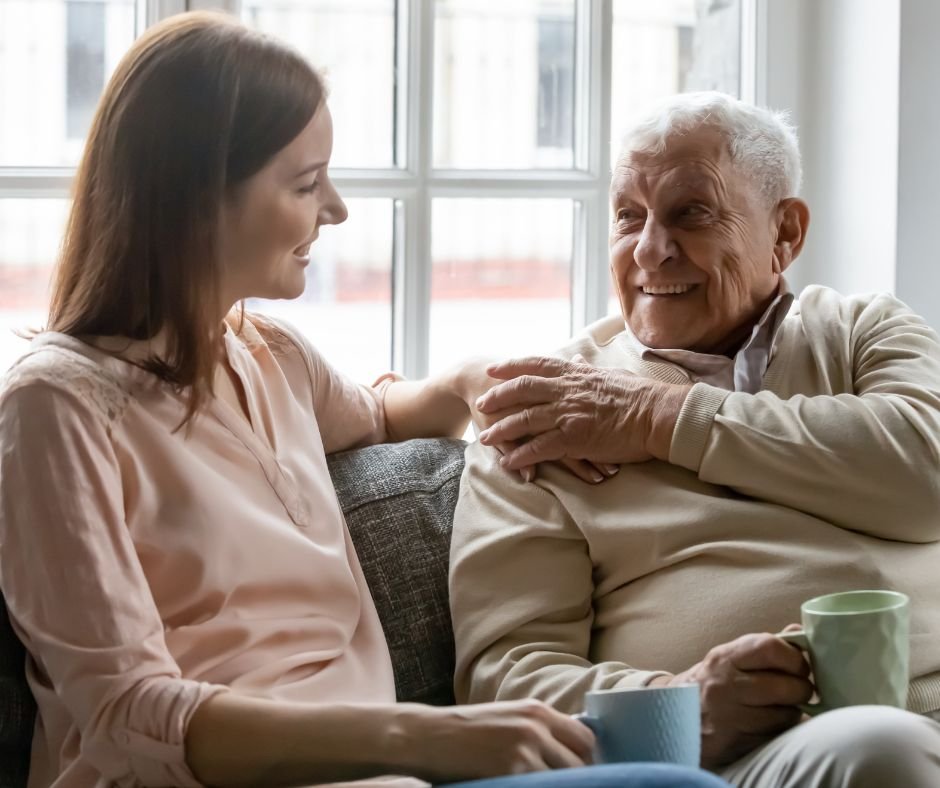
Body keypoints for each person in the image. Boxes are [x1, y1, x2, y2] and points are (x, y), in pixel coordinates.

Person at [0, 13, 732, 788]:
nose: (337, 208)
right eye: (306, 182)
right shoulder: (55, 408)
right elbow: (124, 712)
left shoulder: (268, 357)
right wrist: (422, 736)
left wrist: (473, 380)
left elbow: (383, 415)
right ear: (198, 195)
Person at [449, 91, 940, 788]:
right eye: (628, 217)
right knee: (880, 748)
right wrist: (681, 701)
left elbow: (927, 475)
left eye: (691, 213)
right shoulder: (545, 415)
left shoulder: (865, 331)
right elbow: (504, 678)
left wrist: (661, 419)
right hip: (756, 753)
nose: (650, 250)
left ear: (786, 233)